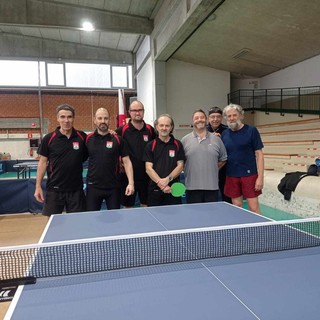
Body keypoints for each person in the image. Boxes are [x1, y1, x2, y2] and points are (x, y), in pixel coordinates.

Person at [34, 104, 87, 216]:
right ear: (57, 118)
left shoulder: (82, 137)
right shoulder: (49, 138)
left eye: (69, 117)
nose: (66, 120)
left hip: (76, 190)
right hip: (54, 189)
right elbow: (42, 162)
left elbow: (96, 140)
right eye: (62, 117)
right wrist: (38, 186)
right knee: (53, 224)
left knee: (77, 223)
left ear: (73, 118)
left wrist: (110, 132)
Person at [86, 108, 134, 211]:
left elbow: (127, 162)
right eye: (99, 118)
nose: (103, 121)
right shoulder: (87, 139)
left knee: (115, 220)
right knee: (91, 219)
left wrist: (131, 183)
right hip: (93, 187)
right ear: (94, 120)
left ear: (109, 120)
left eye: (105, 118)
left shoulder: (118, 139)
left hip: (113, 187)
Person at [221, 103, 264, 214]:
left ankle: (260, 230)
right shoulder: (224, 134)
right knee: (237, 206)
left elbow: (259, 154)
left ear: (241, 115)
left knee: (253, 207)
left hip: (250, 175)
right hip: (231, 175)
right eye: (229, 116)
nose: (232, 118)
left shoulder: (252, 130)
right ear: (226, 118)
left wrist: (260, 177)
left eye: (234, 115)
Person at [181, 109, 227, 204]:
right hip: (192, 187)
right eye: (196, 118)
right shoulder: (184, 140)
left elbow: (223, 159)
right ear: (193, 121)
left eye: (202, 117)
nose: (199, 120)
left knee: (211, 216)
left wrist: (212, 168)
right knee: (194, 216)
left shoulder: (217, 140)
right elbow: (181, 162)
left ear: (206, 120)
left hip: (212, 187)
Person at [116, 100, 156, 207]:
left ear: (143, 111)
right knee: (128, 207)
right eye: (134, 110)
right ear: (129, 112)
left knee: (146, 206)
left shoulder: (151, 130)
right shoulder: (121, 131)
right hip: (127, 177)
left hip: (147, 176)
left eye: (140, 110)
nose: (137, 113)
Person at [143, 114, 185, 206]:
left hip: (172, 189)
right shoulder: (150, 145)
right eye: (161, 125)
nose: (164, 128)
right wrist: (162, 184)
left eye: (167, 125)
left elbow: (180, 166)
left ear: (171, 127)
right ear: (156, 127)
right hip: (155, 190)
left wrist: (167, 180)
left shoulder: (178, 144)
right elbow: (148, 168)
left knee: (174, 219)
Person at [207, 106, 231, 203]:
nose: (215, 119)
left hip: (224, 169)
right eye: (213, 117)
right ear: (208, 118)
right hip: (207, 169)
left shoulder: (228, 130)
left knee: (226, 196)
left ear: (221, 118)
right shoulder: (202, 131)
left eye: (218, 117)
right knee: (209, 196)